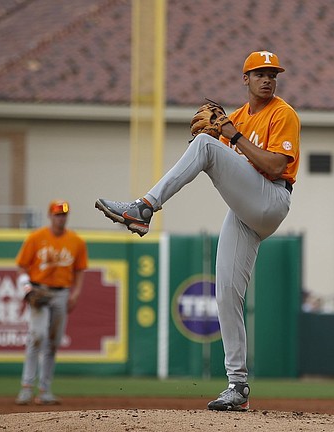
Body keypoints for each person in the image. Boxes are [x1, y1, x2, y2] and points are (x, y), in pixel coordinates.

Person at [95, 50, 299, 411]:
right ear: (245, 79)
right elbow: (211, 159)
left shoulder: (282, 114)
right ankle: (238, 387)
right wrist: (206, 143)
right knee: (226, 293)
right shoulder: (234, 118)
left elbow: (274, 164)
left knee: (207, 145)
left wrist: (229, 139)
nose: (268, 79)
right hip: (245, 210)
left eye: (273, 73)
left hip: (272, 201)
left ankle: (144, 207)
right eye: (260, 73)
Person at [15, 200, 88, 405]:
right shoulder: (36, 238)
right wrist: (27, 287)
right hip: (39, 289)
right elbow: (21, 266)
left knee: (53, 343)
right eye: (57, 214)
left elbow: (80, 270)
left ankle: (44, 390)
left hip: (61, 293)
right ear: (50, 216)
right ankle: (27, 388)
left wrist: (76, 294)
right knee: (37, 336)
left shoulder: (76, 241)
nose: (61, 218)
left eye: (64, 214)